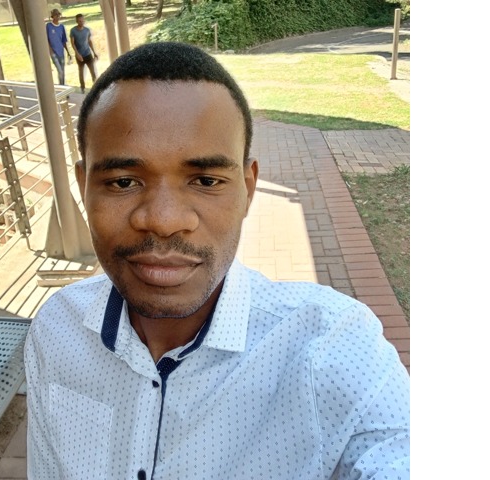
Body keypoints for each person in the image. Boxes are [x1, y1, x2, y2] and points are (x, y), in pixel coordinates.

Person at [24, 42, 410, 479]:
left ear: (248, 189)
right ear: (83, 187)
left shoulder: (330, 349)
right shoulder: (57, 330)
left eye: (206, 180)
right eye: (124, 182)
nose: (164, 221)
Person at [69, 13, 98, 94]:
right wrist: (77, 54)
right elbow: (73, 44)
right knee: (81, 72)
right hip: (79, 55)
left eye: (82, 21)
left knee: (93, 71)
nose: (81, 22)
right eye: (79, 21)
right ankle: (82, 88)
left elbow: (89, 41)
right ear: (76, 21)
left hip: (88, 54)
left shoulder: (87, 30)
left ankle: (96, 88)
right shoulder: (73, 31)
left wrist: (94, 52)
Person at [46, 8, 72, 86]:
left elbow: (64, 40)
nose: (57, 16)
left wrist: (68, 52)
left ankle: (62, 86)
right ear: (52, 16)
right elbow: (46, 39)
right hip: (53, 53)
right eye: (55, 15)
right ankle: (61, 87)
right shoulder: (48, 26)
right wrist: (50, 50)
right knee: (60, 71)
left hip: (61, 52)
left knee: (62, 72)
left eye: (58, 15)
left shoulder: (61, 27)